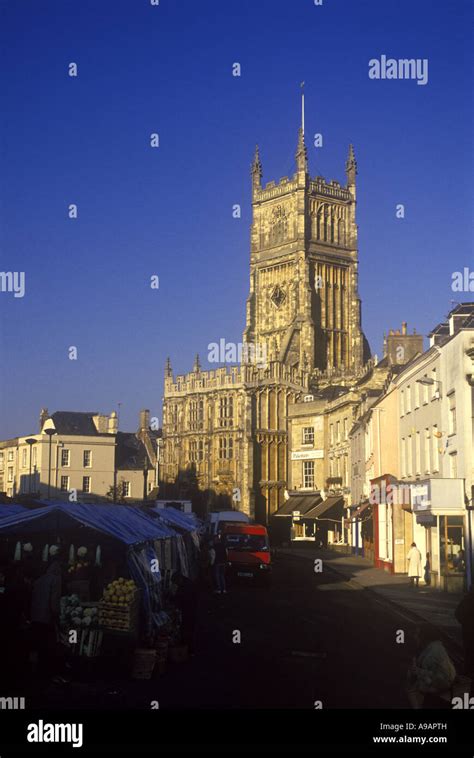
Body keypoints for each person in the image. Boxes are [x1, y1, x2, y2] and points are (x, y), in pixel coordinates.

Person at [30, 548, 63, 679]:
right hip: (46, 619)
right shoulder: (56, 579)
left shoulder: (39, 580)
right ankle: (46, 673)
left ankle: (35, 671)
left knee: (37, 645)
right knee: (47, 647)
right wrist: (57, 617)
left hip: (35, 617)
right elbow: (54, 602)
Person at [406, 624, 456, 708]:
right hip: (435, 692)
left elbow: (441, 679)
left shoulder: (432, 653)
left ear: (425, 636)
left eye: (417, 633)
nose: (415, 636)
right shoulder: (434, 648)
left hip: (435, 695)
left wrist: (417, 671)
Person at [171, 572, 198, 654]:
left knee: (188, 629)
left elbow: (183, 599)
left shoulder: (187, 586)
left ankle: (189, 648)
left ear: (179, 579)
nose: (176, 584)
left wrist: (176, 605)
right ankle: (188, 646)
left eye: (176, 582)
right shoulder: (186, 583)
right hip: (190, 610)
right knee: (188, 629)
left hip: (190, 611)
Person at [455, 585, 474, 693]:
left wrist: (466, 624)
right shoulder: (469, 599)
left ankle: (468, 676)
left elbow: (458, 614)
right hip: (469, 632)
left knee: (469, 654)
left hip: (468, 633)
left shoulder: (468, 599)